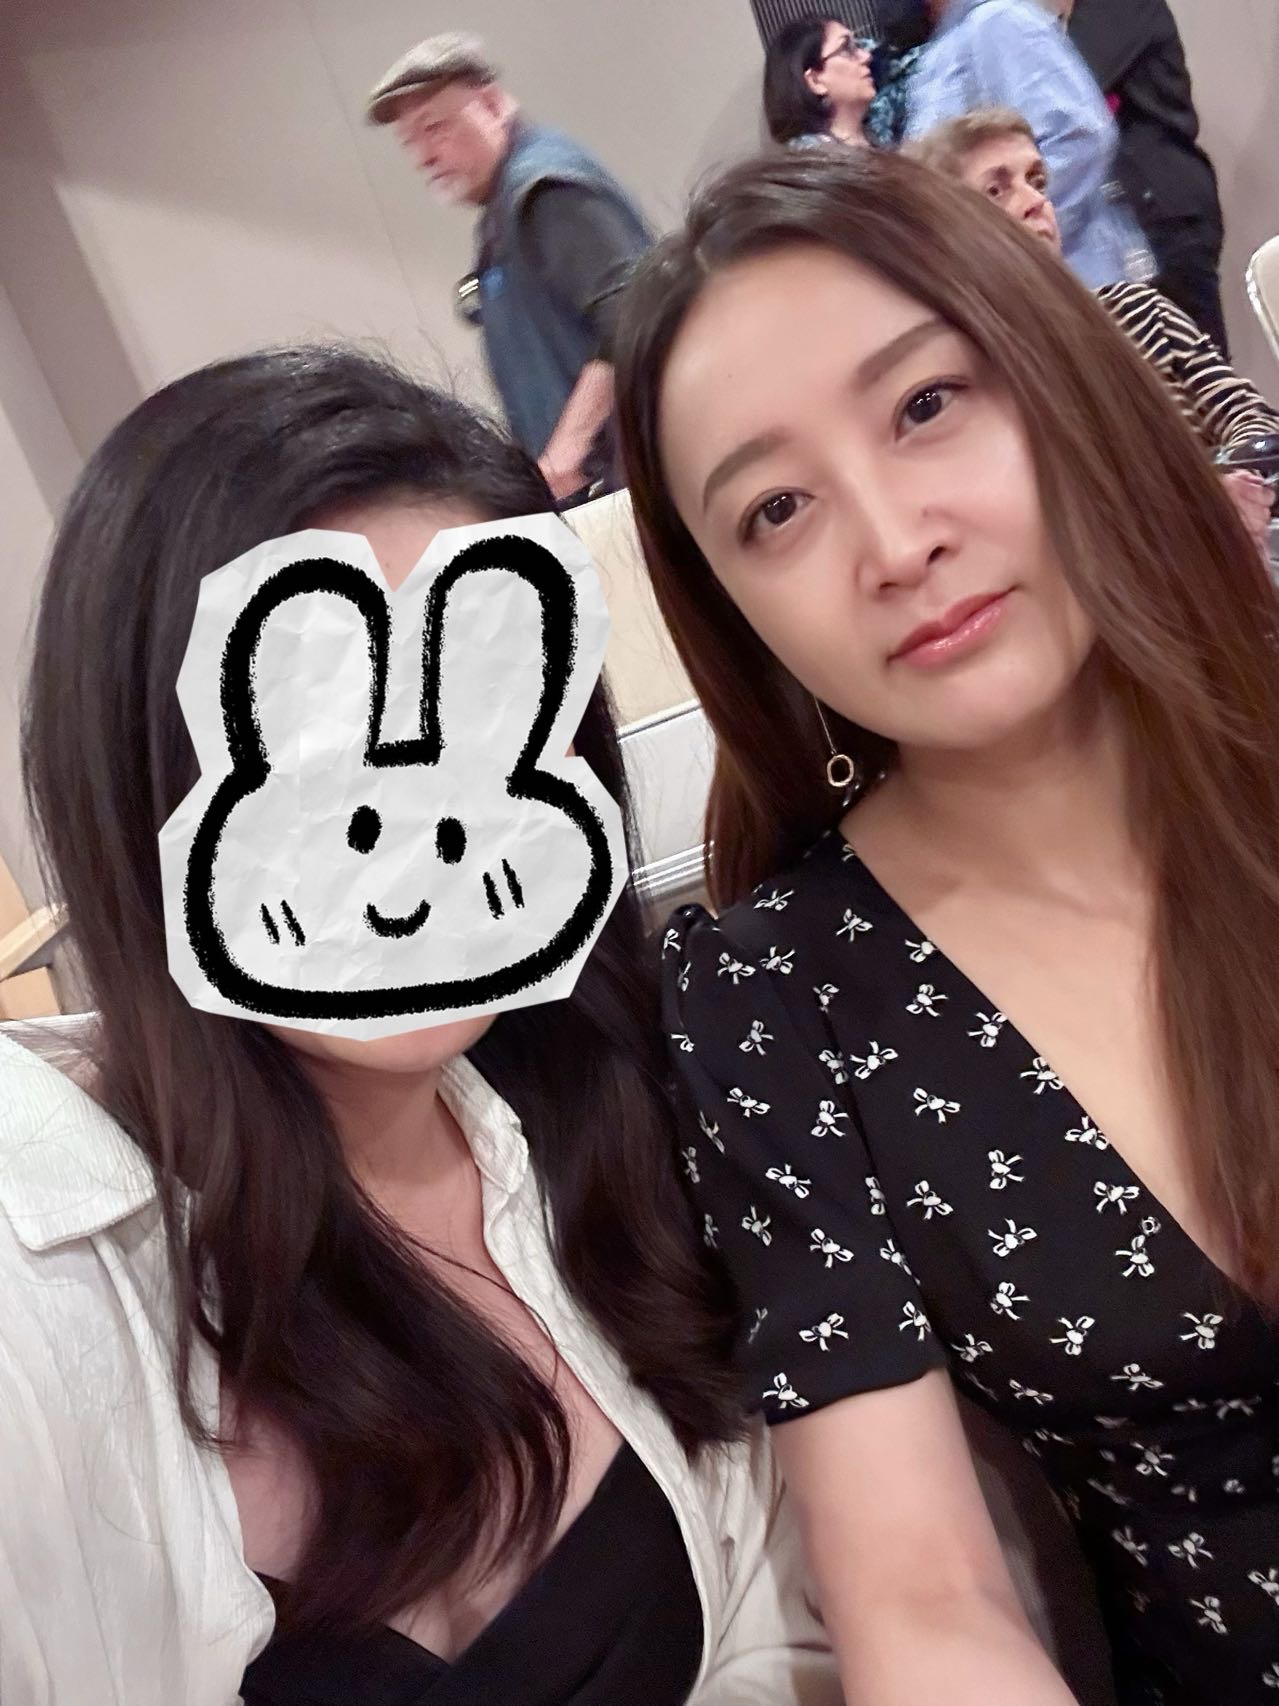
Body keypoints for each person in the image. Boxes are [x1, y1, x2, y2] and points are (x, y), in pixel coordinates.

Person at [0, 345, 841, 1706]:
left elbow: (774, 1599)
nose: (407, 847)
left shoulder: (614, 1103)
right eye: (321, 744)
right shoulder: (36, 1279)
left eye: (482, 729)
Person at [614, 146, 1279, 1703]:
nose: (892, 539)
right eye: (775, 508)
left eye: (923, 405)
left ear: (1050, 377)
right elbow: (920, 1598)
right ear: (730, 605)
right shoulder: (769, 996)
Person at [908, 107, 1277, 555]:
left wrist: (1232, 482)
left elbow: (1251, 418)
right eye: (996, 191)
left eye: (1037, 181)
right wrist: (1203, 508)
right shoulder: (974, 388)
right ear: (946, 238)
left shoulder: (1137, 310)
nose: (1034, 201)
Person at [366, 33, 651, 505]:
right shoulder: (502, 208)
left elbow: (636, 312)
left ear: (493, 105)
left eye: (434, 128)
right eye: (409, 141)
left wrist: (566, 454)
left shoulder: (546, 189)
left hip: (628, 489)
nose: (423, 157)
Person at [904, 0, 1147, 289]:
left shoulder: (998, 22)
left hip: (1073, 281)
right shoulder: (936, 56)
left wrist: (1013, 238)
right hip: (999, 294)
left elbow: (1078, 140)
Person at [1065, 0, 1228, 356]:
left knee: (1198, 375)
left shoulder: (1112, 8)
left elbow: (1068, 93)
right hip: (1144, 218)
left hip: (1161, 215)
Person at [763, 17, 877, 147]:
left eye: (857, 46)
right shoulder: (810, 157)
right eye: (845, 49)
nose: (866, 56)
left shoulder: (879, 137)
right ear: (815, 81)